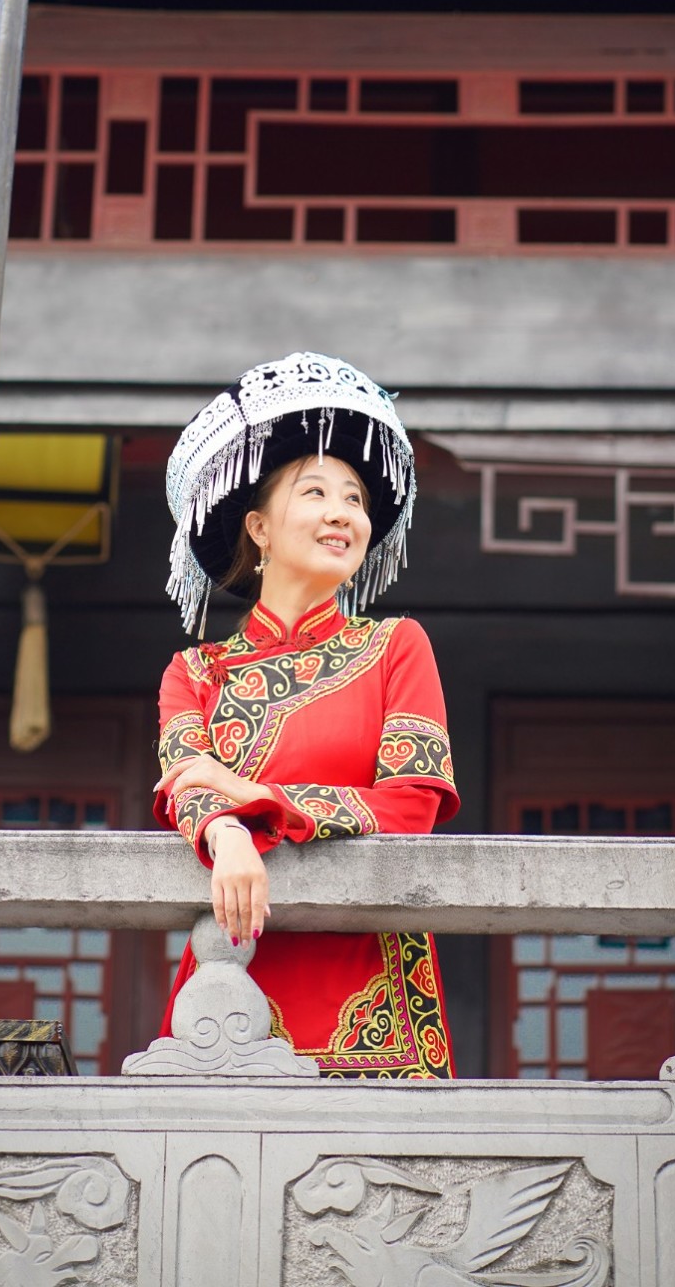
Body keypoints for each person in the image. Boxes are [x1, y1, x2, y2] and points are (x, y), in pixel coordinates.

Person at [153, 351, 459, 1079]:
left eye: (354, 499)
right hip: (229, 983)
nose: (342, 514)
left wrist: (250, 798)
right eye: (316, 492)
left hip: (375, 995)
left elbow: (411, 807)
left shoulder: (396, 648)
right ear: (258, 527)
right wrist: (224, 831)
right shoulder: (195, 671)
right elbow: (184, 786)